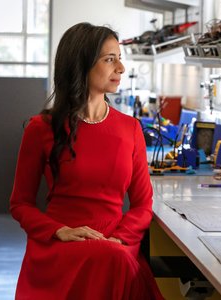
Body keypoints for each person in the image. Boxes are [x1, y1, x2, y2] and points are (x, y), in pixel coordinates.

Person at [10, 22, 164, 300]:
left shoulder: (130, 129)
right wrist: (59, 230)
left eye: (120, 59)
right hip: (62, 241)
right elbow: (20, 203)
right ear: (81, 65)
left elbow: (143, 205)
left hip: (116, 243)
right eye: (109, 59)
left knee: (114, 259)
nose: (121, 68)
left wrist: (119, 240)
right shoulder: (40, 128)